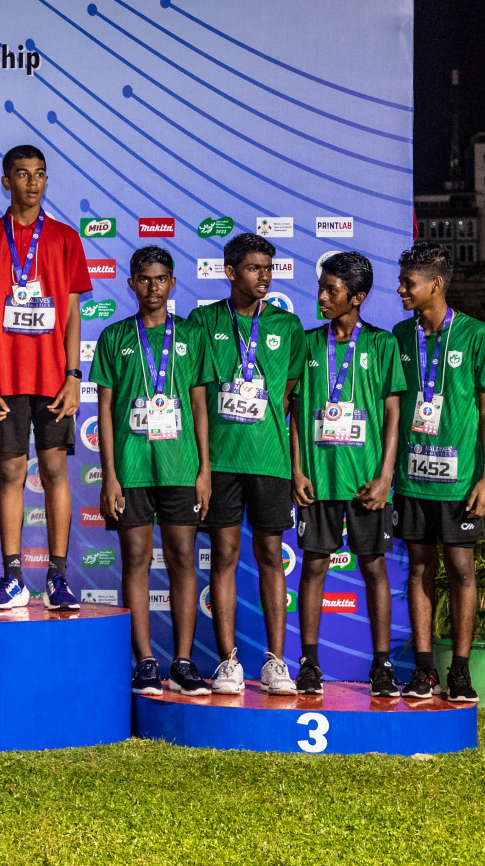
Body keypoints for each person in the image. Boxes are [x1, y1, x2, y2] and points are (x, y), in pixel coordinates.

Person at [0, 144, 91, 611]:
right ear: (6, 181)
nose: (32, 182)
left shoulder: (64, 238)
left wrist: (74, 374)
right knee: (12, 472)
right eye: (22, 174)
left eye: (40, 174)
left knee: (56, 471)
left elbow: (74, 311)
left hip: (54, 377)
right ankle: (13, 577)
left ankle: (57, 578)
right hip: (6, 378)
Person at [94, 247, 212, 695]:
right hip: (132, 467)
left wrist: (205, 470)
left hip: (181, 468)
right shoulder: (114, 336)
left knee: (183, 558)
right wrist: (109, 473)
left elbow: (199, 404)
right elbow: (103, 409)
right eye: (144, 279)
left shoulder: (192, 336)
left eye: (161, 279)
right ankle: (144, 661)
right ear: (131, 284)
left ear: (173, 283)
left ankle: (182, 663)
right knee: (137, 560)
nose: (153, 287)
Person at [191, 232, 305, 695]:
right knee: (224, 557)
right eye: (254, 268)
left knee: (271, 558)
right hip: (220, 460)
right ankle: (228, 663)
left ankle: (276, 663)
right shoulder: (202, 321)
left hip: (270, 461)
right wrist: (200, 466)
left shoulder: (287, 326)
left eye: (268, 268)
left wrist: (296, 468)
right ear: (231, 271)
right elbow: (196, 392)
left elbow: (288, 399)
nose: (263, 276)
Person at [289, 252, 404, 699]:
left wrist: (385, 476)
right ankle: (310, 663)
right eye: (320, 287)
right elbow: (296, 412)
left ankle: (381, 666)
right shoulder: (309, 342)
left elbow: (393, 412)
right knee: (314, 566)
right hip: (319, 479)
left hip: (365, 481)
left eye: (331, 290)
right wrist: (297, 469)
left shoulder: (381, 344)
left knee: (374, 567)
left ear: (356, 297)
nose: (321, 296)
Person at [393, 241, 485, 703]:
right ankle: (422, 671)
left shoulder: (478, 335)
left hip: (460, 482)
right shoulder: (398, 336)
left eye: (408, 283)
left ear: (435, 284)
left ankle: (459, 670)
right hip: (412, 477)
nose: (401, 290)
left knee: (460, 568)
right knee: (418, 569)